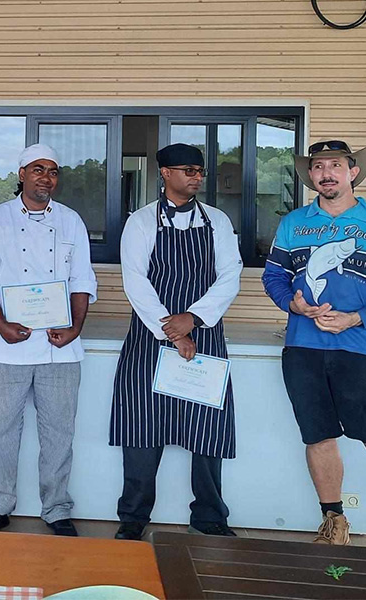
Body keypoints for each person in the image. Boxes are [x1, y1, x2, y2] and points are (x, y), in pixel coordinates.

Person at [262, 140, 366, 550]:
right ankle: (333, 521)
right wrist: (293, 304)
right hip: (303, 349)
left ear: (353, 172)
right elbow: (274, 277)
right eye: (318, 166)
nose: (326, 173)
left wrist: (357, 318)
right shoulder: (293, 223)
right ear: (310, 175)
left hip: (363, 351)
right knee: (318, 438)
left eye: (336, 165)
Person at [110, 143, 243, 541]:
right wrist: (170, 328)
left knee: (208, 431)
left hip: (204, 335)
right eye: (188, 170)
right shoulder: (140, 222)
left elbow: (230, 275)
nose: (196, 176)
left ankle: (209, 516)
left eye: (199, 170)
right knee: (141, 429)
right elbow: (135, 281)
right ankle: (132, 517)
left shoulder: (218, 221)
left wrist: (193, 320)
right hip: (150, 340)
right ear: (165, 174)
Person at [0, 143, 98, 537]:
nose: (46, 177)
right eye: (38, 169)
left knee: (59, 431)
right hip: (3, 345)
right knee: (0, 429)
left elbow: (81, 279)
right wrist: (1, 322)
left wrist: (75, 327)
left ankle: (56, 508)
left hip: (60, 346)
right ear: (21, 174)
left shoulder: (71, 221)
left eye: (53, 171)